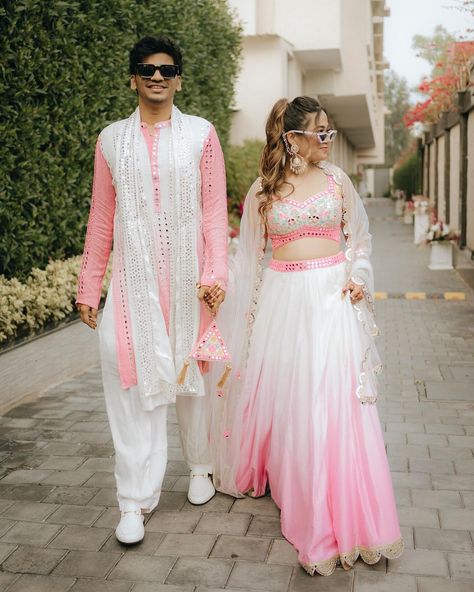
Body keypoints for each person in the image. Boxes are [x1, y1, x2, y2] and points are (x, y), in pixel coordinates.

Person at [209, 96, 403, 576]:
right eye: (319, 132)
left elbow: (360, 238)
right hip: (283, 299)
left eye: (330, 132)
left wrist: (358, 273)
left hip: (332, 298)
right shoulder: (264, 189)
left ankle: (340, 494)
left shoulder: (339, 181)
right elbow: (248, 259)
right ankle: (298, 481)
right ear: (292, 139)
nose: (327, 140)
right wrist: (231, 305)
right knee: (294, 397)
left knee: (332, 397)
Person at [76, 36, 228, 544]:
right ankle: (133, 501)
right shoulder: (110, 140)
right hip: (132, 286)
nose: (156, 77)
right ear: (133, 78)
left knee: (191, 381)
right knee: (132, 387)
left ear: (179, 78)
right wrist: (88, 284)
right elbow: (101, 216)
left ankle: (201, 466)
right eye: (146, 69)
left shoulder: (202, 135)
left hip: (190, 284)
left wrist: (216, 275)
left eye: (166, 69)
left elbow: (213, 212)